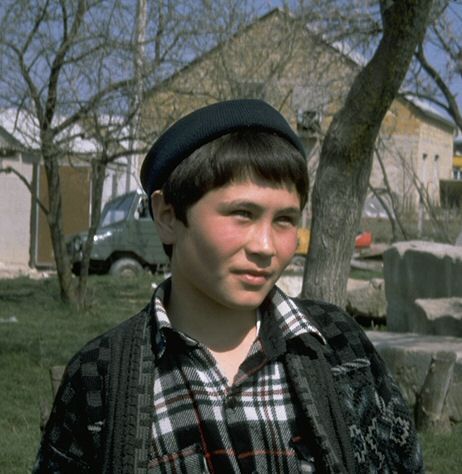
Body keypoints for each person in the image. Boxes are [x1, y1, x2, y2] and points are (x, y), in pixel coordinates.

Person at [33, 99, 423, 473]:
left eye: (285, 219)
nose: (266, 247)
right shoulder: (100, 376)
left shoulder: (338, 345)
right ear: (168, 215)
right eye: (242, 214)